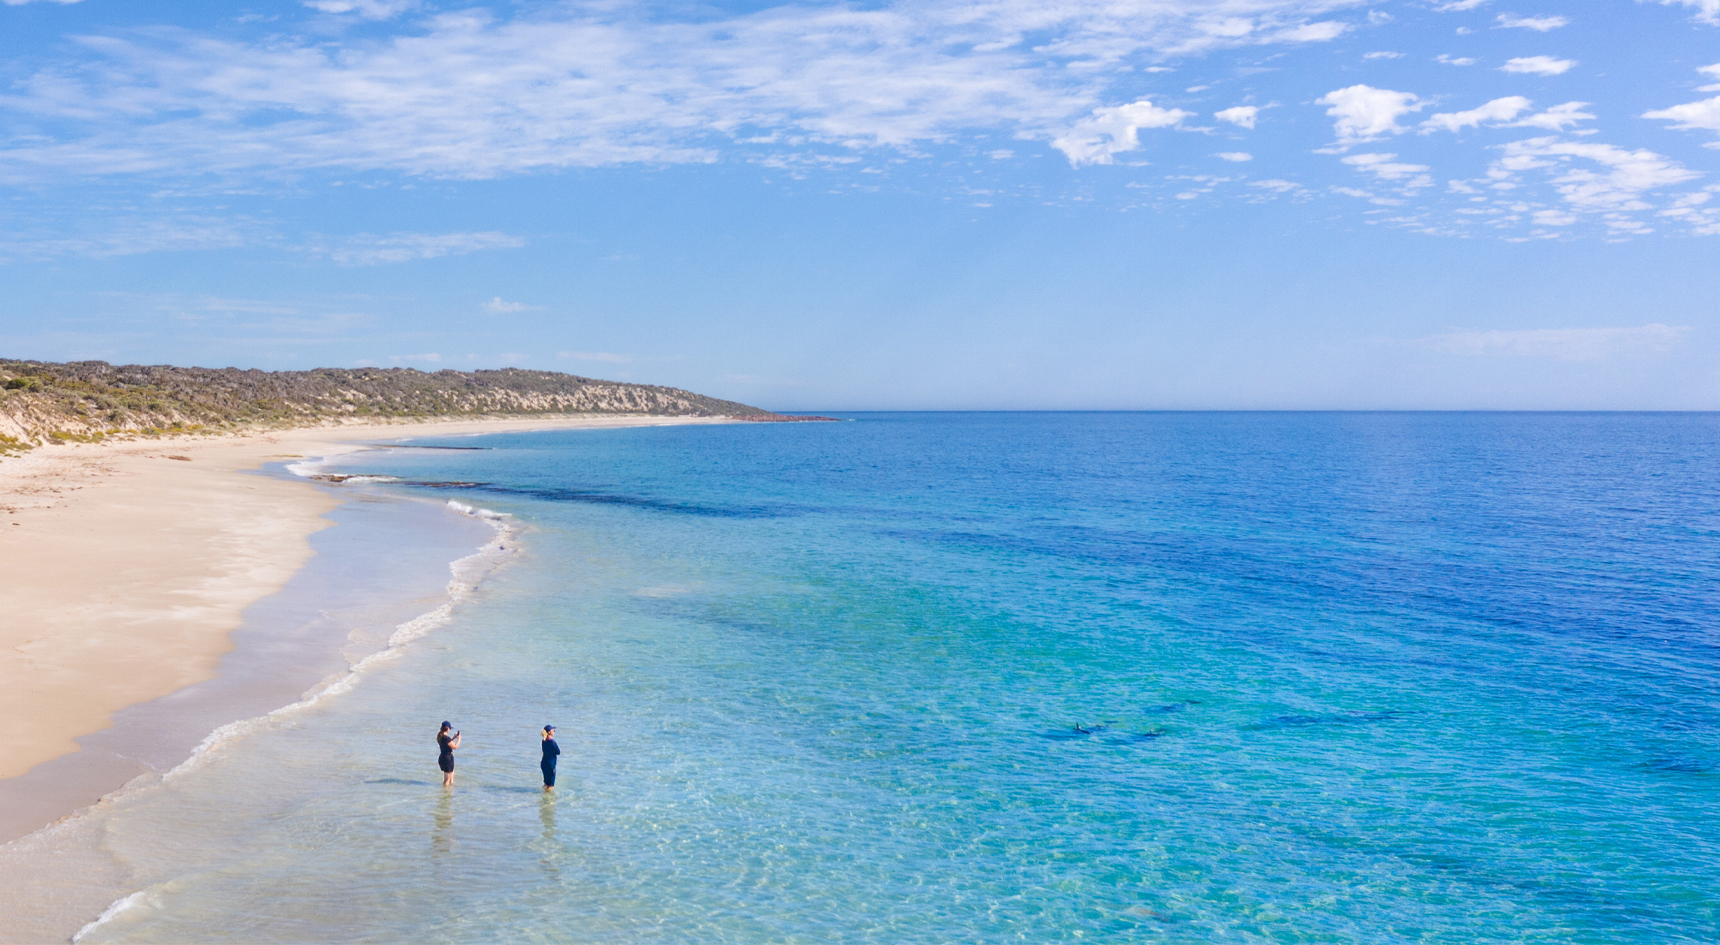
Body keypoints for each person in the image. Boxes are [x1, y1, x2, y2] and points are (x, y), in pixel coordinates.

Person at [437, 721, 461, 788]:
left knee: (451, 775)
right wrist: (459, 739)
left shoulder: (441, 737)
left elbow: (447, 744)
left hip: (444, 757)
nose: (450, 729)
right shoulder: (446, 738)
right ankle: (445, 794)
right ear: (447, 728)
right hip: (447, 758)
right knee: (447, 780)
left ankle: (450, 791)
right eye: (449, 728)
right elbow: (455, 747)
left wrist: (453, 738)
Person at [540, 725, 560, 792]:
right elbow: (558, 752)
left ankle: (544, 797)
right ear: (549, 732)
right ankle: (549, 801)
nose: (554, 732)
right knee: (550, 785)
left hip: (544, 763)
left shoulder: (543, 741)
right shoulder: (552, 742)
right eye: (553, 730)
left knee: (546, 783)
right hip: (551, 764)